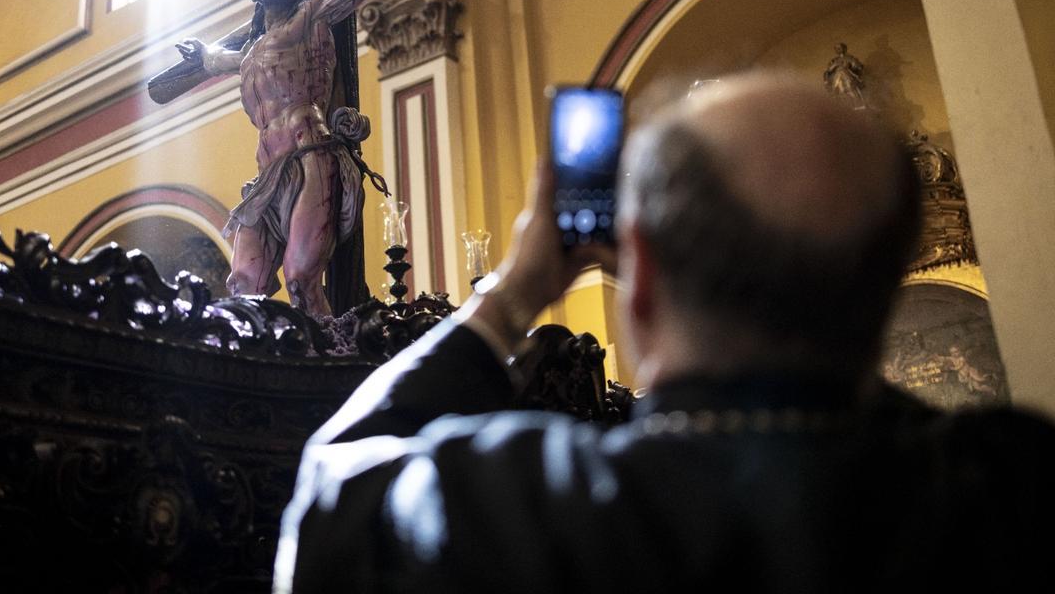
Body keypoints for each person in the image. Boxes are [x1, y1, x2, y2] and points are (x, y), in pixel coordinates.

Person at [272, 73, 1055, 592]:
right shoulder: (1011, 489)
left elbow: (334, 498)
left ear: (638, 278)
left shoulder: (522, 508)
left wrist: (510, 295)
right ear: (887, 283)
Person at [174, 0, 478, 315]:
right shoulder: (250, 52)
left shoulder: (311, 15)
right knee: (244, 285)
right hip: (266, 175)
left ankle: (329, 354)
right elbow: (214, 59)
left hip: (311, 155)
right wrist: (201, 52)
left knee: (301, 279)